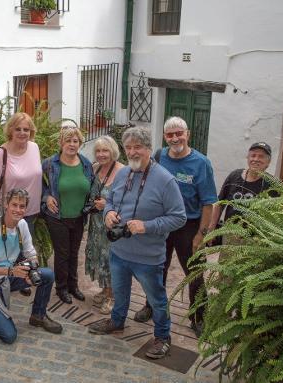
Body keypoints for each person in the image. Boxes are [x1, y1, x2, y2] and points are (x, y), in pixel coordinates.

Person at [88, 126, 186, 360]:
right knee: (120, 293)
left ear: (149, 149)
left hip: (148, 257)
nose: (132, 152)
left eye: (137, 147)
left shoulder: (165, 180)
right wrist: (108, 214)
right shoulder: (123, 173)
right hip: (119, 251)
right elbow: (110, 201)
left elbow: (179, 217)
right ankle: (117, 321)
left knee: (157, 300)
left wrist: (147, 226)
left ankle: (162, 336)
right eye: (128, 147)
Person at [134, 117, 217, 337]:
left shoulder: (201, 163)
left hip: (189, 225)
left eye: (179, 133)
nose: (175, 138)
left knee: (195, 273)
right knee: (156, 267)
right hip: (162, 222)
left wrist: (202, 233)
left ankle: (198, 317)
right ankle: (151, 306)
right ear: (164, 137)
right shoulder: (159, 157)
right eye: (170, 135)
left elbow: (209, 202)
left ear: (187, 134)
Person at [0, 189, 63, 344]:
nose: (18, 210)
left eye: (22, 206)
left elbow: (30, 253)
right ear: (6, 205)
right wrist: (11, 271)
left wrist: (30, 271)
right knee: (9, 336)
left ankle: (38, 316)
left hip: (7, 277)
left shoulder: (22, 225)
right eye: (14, 205)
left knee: (46, 275)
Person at [0, 112, 42, 297]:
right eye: (18, 129)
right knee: (6, 248)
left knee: (24, 246)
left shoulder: (34, 148)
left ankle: (22, 279)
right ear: (10, 130)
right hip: (8, 212)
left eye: (26, 129)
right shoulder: (1, 153)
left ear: (31, 131)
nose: (22, 133)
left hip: (31, 210)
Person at [41, 126, 93, 304]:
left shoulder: (86, 164)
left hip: (79, 216)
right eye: (68, 140)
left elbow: (91, 186)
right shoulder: (50, 164)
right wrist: (46, 196)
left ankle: (73, 286)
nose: (72, 144)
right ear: (61, 143)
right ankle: (61, 288)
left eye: (75, 141)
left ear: (80, 143)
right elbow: (39, 183)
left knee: (74, 252)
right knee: (62, 253)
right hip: (57, 216)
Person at [84, 136, 124, 315]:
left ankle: (113, 296)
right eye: (98, 151)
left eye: (105, 151)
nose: (101, 154)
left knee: (111, 260)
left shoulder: (123, 171)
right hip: (96, 225)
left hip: (112, 226)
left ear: (113, 151)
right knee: (99, 257)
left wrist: (106, 204)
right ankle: (105, 289)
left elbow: (128, 201)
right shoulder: (94, 168)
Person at [210, 142, 276, 232]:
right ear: (248, 158)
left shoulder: (272, 184)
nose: (256, 159)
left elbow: (276, 215)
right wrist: (211, 228)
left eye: (261, 156)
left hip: (256, 240)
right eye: (253, 155)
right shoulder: (234, 176)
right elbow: (219, 204)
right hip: (229, 233)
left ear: (268, 162)